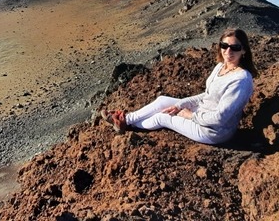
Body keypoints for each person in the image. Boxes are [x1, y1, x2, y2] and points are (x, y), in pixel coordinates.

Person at [101, 28, 258, 145]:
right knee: (163, 101)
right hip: (202, 113)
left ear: (243, 50)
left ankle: (128, 126)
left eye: (235, 47)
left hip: (213, 131)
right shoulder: (221, 66)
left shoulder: (241, 80)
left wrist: (190, 115)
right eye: (224, 45)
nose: (228, 51)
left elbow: (220, 118)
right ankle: (126, 120)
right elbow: (207, 95)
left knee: (162, 117)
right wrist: (180, 104)